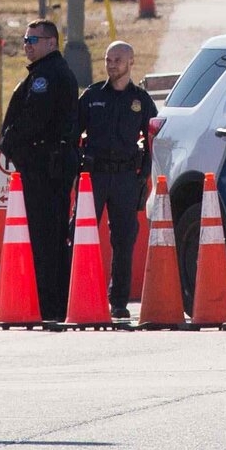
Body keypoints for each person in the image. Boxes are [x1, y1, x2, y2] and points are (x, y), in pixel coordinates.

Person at [0, 18, 80, 322]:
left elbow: (34, 119)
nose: (27, 45)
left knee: (46, 238)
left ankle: (50, 305)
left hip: (46, 168)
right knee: (45, 236)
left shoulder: (48, 76)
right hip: (45, 166)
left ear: (51, 43)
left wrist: (11, 141)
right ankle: (50, 302)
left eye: (33, 40)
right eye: (25, 39)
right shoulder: (45, 73)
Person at [76, 40, 158, 320]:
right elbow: (74, 132)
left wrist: (142, 179)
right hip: (95, 175)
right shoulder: (92, 95)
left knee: (124, 241)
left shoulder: (141, 101)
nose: (111, 65)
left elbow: (151, 141)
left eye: (117, 60)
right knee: (79, 235)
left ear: (131, 62)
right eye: (108, 60)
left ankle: (118, 302)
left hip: (125, 177)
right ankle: (77, 295)